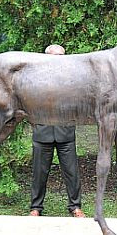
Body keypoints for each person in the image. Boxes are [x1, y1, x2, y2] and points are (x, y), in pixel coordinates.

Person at [29, 44, 85, 218]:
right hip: (42, 132)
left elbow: (79, 102)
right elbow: (28, 103)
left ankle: (75, 207)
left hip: (65, 133)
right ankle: (36, 207)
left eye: (62, 56)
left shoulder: (72, 80)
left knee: (72, 173)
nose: (60, 59)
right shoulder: (35, 78)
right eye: (56, 56)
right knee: (39, 173)